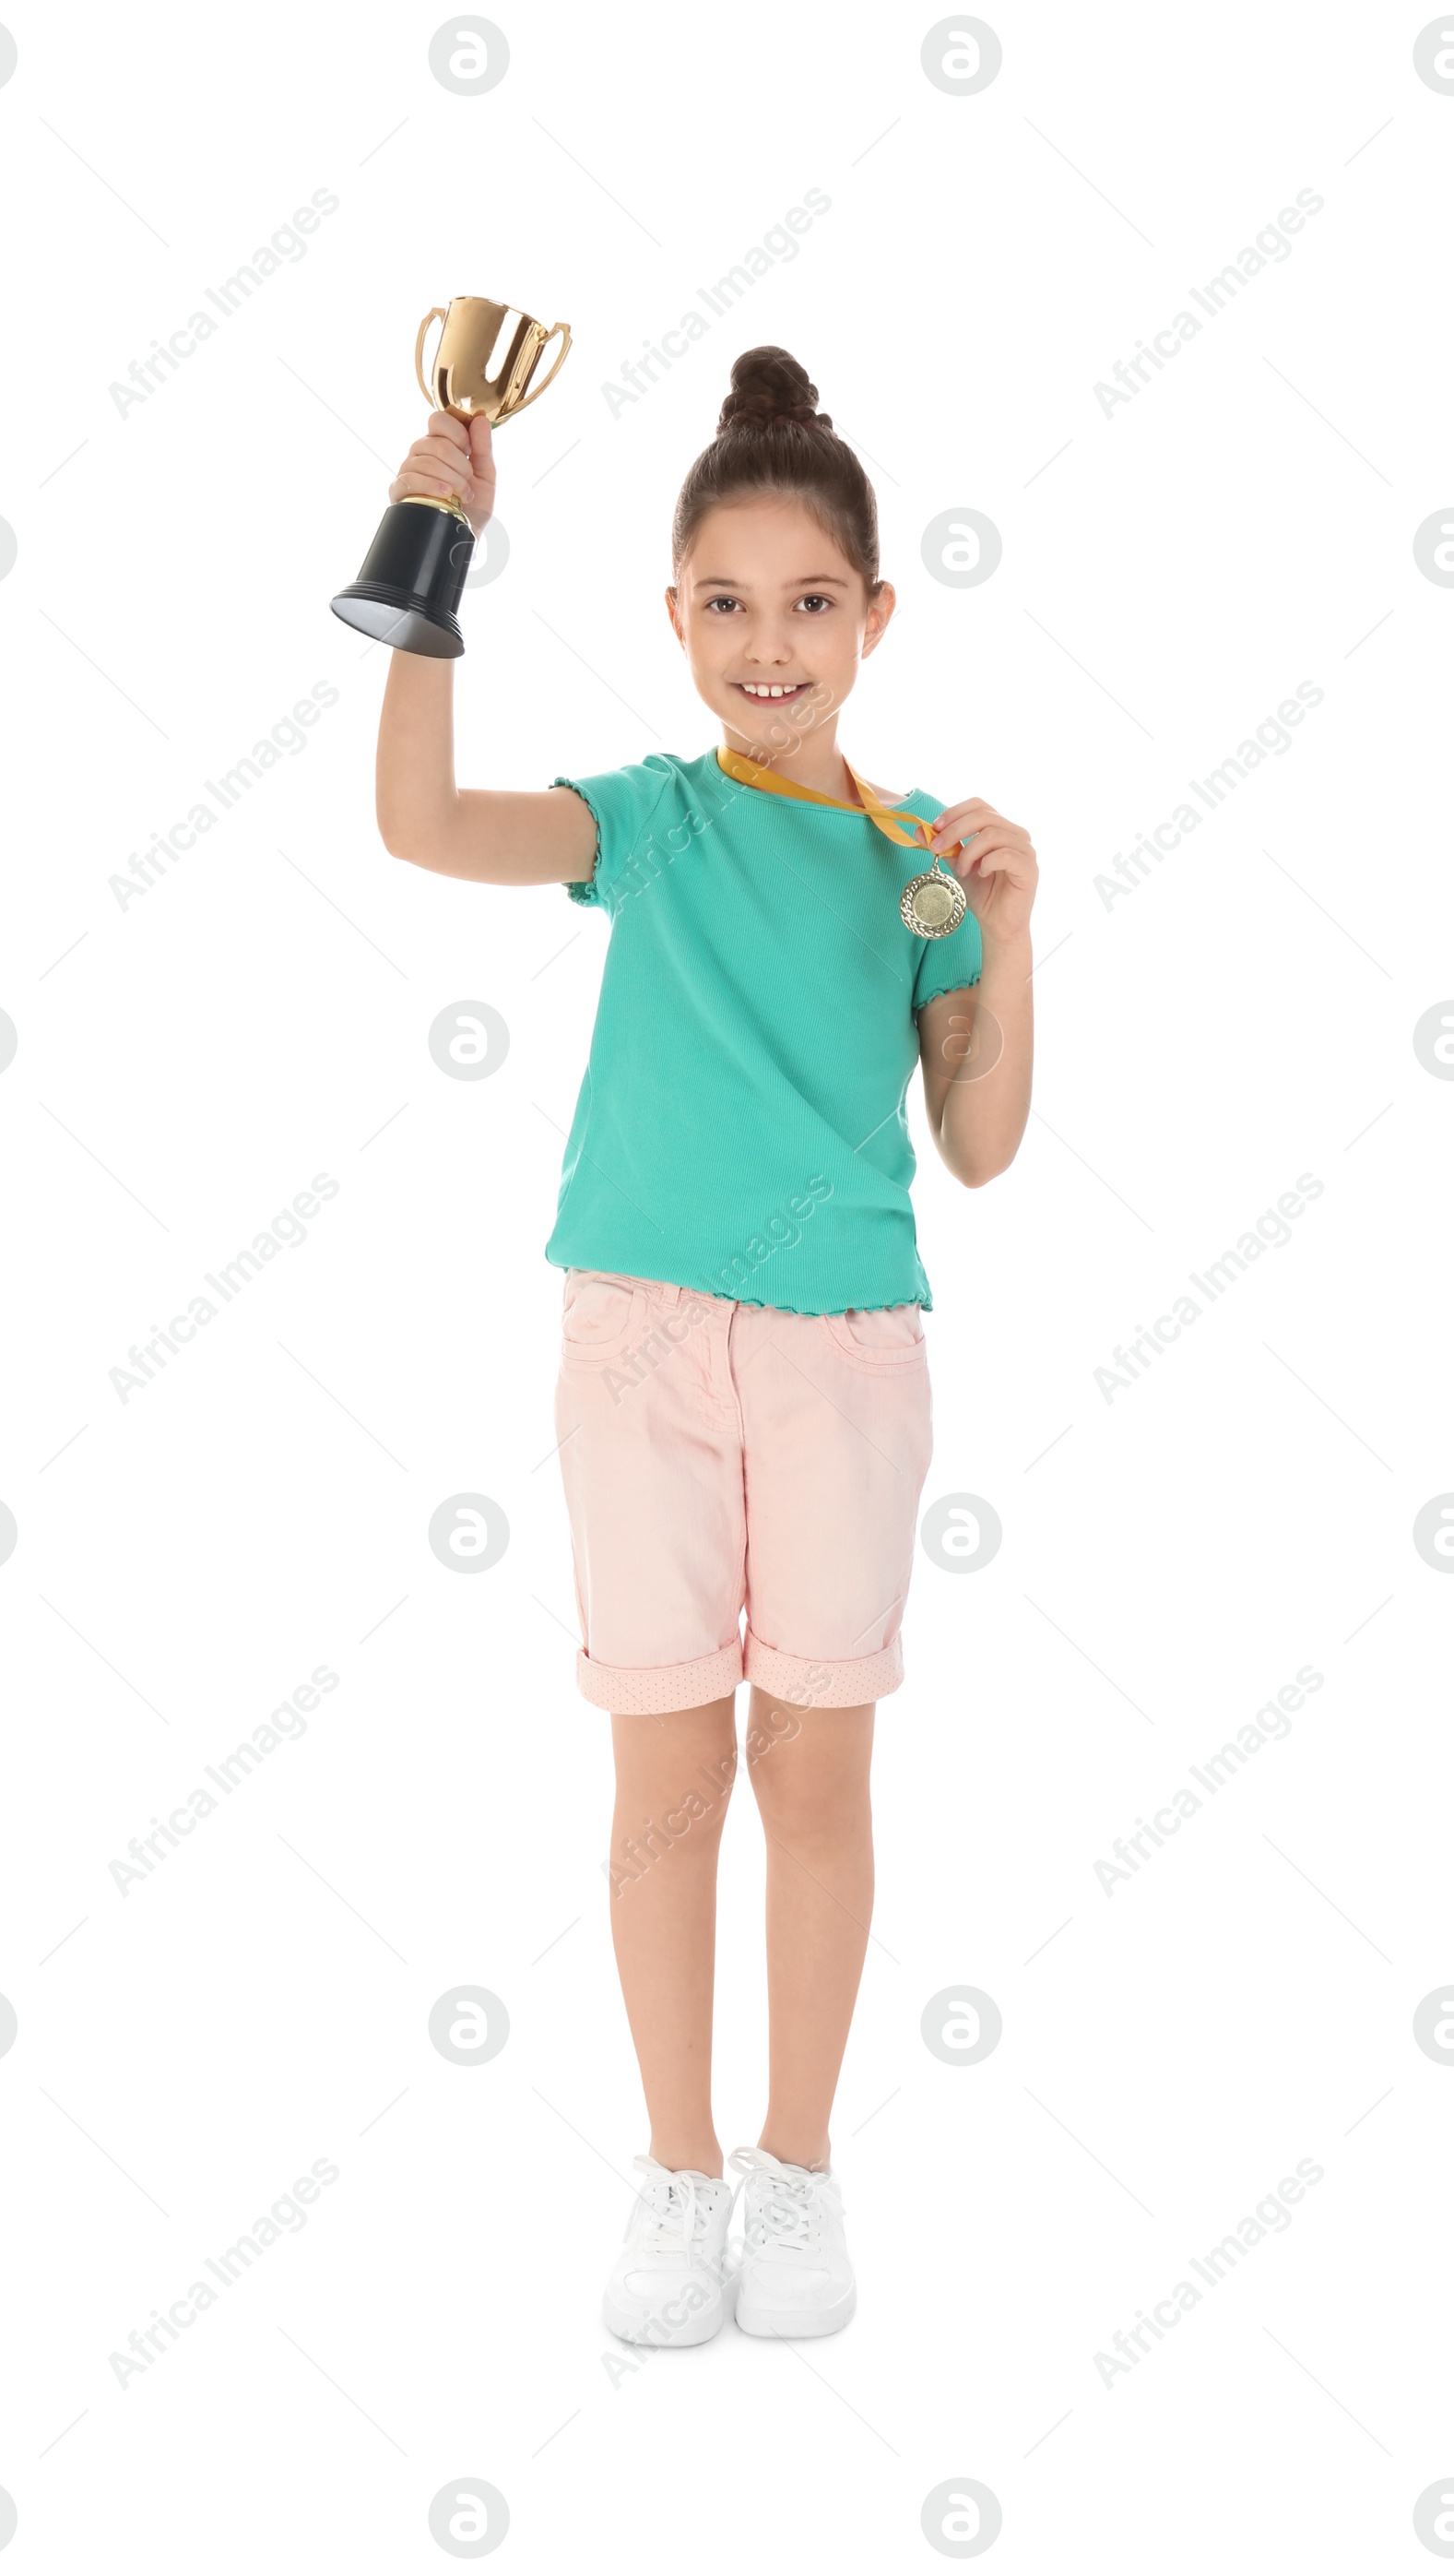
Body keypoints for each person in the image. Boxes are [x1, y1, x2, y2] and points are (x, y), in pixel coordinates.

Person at [373, 343, 1038, 2345]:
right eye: (726, 605)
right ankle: (674, 2174)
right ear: (674, 623)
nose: (769, 643)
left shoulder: (913, 856)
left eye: (808, 601)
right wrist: (434, 543)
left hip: (843, 1356)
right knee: (660, 1776)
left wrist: (1009, 928)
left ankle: (797, 2164)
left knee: (812, 1770)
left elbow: (981, 1142)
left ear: (873, 617)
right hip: (640, 1349)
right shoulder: (647, 822)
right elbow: (416, 820)